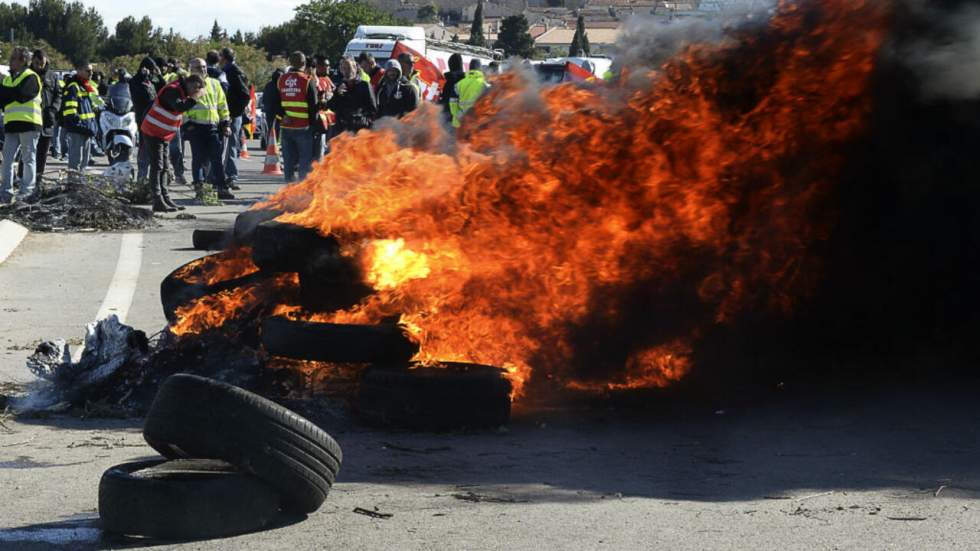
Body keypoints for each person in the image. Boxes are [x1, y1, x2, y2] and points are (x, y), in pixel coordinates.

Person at [140, 74, 204, 212]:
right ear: (190, 84)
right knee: (157, 166)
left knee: (164, 167)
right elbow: (179, 107)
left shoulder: (182, 91)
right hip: (153, 131)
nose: (196, 92)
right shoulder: (173, 90)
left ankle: (165, 197)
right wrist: (194, 98)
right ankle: (157, 200)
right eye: (196, 88)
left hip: (163, 134)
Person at [185, 58, 233, 201]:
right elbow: (183, 107)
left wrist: (226, 123)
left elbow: (222, 104)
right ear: (191, 69)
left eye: (204, 67)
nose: (203, 70)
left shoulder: (214, 83)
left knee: (216, 159)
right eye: (199, 67)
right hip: (196, 126)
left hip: (212, 126)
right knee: (198, 159)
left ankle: (221, 188)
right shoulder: (186, 84)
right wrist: (187, 124)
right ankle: (200, 188)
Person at [0, 47, 43, 204]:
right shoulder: (7, 79)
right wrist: (9, 92)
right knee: (7, 160)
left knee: (28, 158)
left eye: (13, 58)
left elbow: (22, 95)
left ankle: (26, 192)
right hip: (11, 124)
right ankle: (5, 192)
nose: (10, 61)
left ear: (23, 61)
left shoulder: (31, 76)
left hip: (29, 123)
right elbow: (4, 97)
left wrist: (6, 92)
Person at [269, 51, 319, 183]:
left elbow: (274, 102)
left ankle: (289, 190)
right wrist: (315, 126)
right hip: (304, 127)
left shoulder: (281, 80)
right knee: (304, 162)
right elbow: (314, 106)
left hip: (286, 126)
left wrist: (282, 116)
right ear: (304, 63)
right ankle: (302, 193)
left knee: (289, 162)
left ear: (290, 63)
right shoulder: (308, 81)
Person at [17, 49, 61, 182]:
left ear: (46, 61)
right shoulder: (26, 74)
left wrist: (53, 110)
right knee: (28, 152)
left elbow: (58, 94)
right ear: (32, 61)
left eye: (41, 63)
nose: (39, 66)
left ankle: (38, 178)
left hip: (47, 120)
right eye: (36, 63)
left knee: (42, 152)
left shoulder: (52, 76)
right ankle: (21, 177)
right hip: (30, 120)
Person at [61, 60, 104, 177]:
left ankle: (80, 188)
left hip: (85, 129)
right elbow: (70, 111)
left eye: (91, 71)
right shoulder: (73, 87)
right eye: (88, 71)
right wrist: (80, 124)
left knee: (84, 163)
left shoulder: (85, 86)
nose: (91, 73)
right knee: (76, 162)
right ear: (79, 71)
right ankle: (72, 187)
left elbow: (90, 108)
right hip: (78, 129)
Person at [220, 47, 250, 190]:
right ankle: (229, 176)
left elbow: (245, 94)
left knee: (229, 146)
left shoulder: (231, 72)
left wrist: (234, 112)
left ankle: (230, 177)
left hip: (231, 115)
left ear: (224, 58)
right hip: (233, 114)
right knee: (231, 146)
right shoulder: (234, 71)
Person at [327, 56, 377, 137]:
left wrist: (364, 122)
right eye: (343, 68)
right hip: (342, 131)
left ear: (355, 67)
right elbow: (331, 107)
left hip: (359, 131)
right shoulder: (339, 85)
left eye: (348, 67)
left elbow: (373, 109)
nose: (346, 71)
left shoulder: (364, 85)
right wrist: (337, 94)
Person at [130, 56, 162, 184]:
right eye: (151, 69)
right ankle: (141, 178)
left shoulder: (152, 80)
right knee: (144, 148)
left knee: (156, 150)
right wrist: (142, 77)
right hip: (143, 119)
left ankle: (154, 180)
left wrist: (159, 76)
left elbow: (162, 89)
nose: (152, 72)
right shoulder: (136, 81)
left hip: (156, 119)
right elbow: (141, 96)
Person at [450, 59, 491, 128]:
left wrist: (460, 116)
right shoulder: (485, 85)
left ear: (469, 68)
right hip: (475, 125)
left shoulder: (459, 84)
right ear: (480, 69)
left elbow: (452, 103)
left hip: (459, 125)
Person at [312, 54, 334, 160]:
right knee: (318, 154)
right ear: (318, 66)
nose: (328, 67)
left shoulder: (327, 79)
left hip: (328, 123)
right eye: (326, 65)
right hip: (318, 124)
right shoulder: (313, 80)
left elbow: (332, 92)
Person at [438, 53, 465, 125]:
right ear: (461, 65)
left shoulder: (446, 81)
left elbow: (442, 101)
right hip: (463, 121)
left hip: (447, 120)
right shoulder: (466, 81)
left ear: (450, 65)